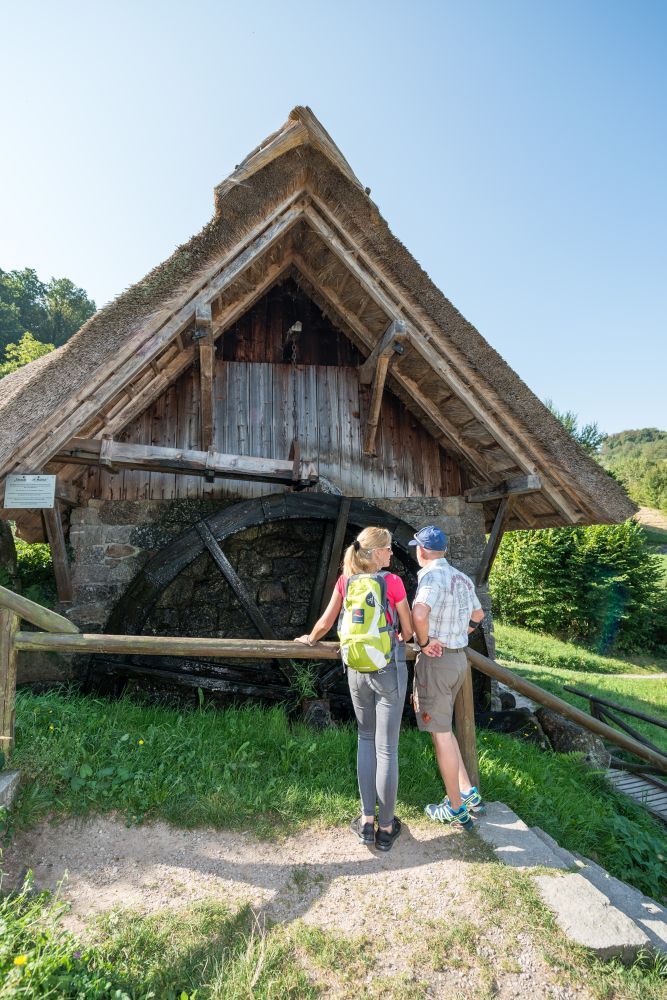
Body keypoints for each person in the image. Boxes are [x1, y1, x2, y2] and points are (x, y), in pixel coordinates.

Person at [295, 526, 424, 851]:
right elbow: (407, 631)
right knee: (387, 749)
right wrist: (399, 635)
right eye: (389, 549)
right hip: (387, 668)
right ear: (376, 552)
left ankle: (366, 822)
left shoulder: (345, 581)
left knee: (365, 740)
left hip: (355, 669)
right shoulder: (392, 583)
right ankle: (385, 827)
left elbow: (325, 623)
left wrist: (309, 639)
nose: (392, 554)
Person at [409, 525, 486, 828]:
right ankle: (468, 792)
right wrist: (458, 633)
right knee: (446, 728)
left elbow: (418, 613)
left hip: (437, 664)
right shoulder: (461, 577)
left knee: (440, 736)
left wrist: (426, 642)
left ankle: (454, 808)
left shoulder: (431, 576)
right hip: (458, 662)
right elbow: (478, 616)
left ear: (423, 551)